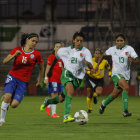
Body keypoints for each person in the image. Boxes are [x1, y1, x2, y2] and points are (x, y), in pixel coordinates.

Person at [40, 31, 94, 123]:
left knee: (61, 99)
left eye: (81, 41)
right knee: (70, 91)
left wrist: (88, 63)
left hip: (78, 78)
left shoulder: (86, 51)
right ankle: (66, 116)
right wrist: (50, 71)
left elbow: (91, 67)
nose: (79, 43)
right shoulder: (64, 50)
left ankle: (48, 101)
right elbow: (56, 58)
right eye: (77, 40)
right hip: (67, 73)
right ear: (73, 41)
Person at [0, 33, 44, 126]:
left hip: (23, 82)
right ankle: (2, 120)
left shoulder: (37, 55)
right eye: (33, 41)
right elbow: (4, 61)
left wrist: (39, 81)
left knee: (14, 105)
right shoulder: (17, 50)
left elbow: (42, 68)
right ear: (27, 40)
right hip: (12, 77)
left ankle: (6, 101)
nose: (34, 43)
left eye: (36, 42)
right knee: (8, 96)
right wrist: (14, 55)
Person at [98, 33, 140, 117]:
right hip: (116, 74)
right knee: (126, 87)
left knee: (114, 95)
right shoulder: (112, 49)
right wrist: (97, 66)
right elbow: (103, 55)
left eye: (121, 40)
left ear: (124, 41)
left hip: (126, 75)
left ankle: (104, 104)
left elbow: (138, 61)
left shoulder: (129, 49)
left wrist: (133, 60)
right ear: (115, 42)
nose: (119, 42)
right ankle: (125, 111)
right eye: (118, 41)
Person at [85, 48, 112, 113]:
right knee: (89, 93)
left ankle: (95, 96)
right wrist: (90, 72)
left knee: (99, 93)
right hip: (90, 78)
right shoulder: (90, 61)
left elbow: (109, 67)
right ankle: (90, 109)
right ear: (94, 54)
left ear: (101, 55)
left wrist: (110, 75)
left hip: (99, 79)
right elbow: (85, 69)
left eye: (99, 53)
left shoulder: (104, 61)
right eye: (96, 53)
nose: (97, 55)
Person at [43, 42, 63, 118]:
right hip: (52, 79)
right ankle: (53, 113)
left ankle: (47, 103)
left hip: (59, 80)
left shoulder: (61, 58)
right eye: (57, 47)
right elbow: (47, 68)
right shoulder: (51, 57)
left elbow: (62, 69)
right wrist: (46, 78)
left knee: (58, 97)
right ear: (54, 48)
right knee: (55, 96)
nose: (58, 48)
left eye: (60, 47)